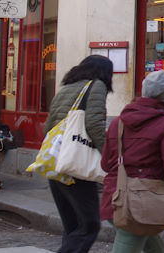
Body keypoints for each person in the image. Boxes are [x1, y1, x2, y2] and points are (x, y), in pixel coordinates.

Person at [100, 70, 164, 252]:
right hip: (139, 203)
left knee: (155, 247)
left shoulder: (118, 122)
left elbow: (105, 164)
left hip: (115, 197)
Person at [45, 55, 112, 253]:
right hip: (76, 164)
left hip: (56, 162)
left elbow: (49, 126)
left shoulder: (66, 87)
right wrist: (108, 157)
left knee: (73, 226)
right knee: (90, 225)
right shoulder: (97, 86)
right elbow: (94, 124)